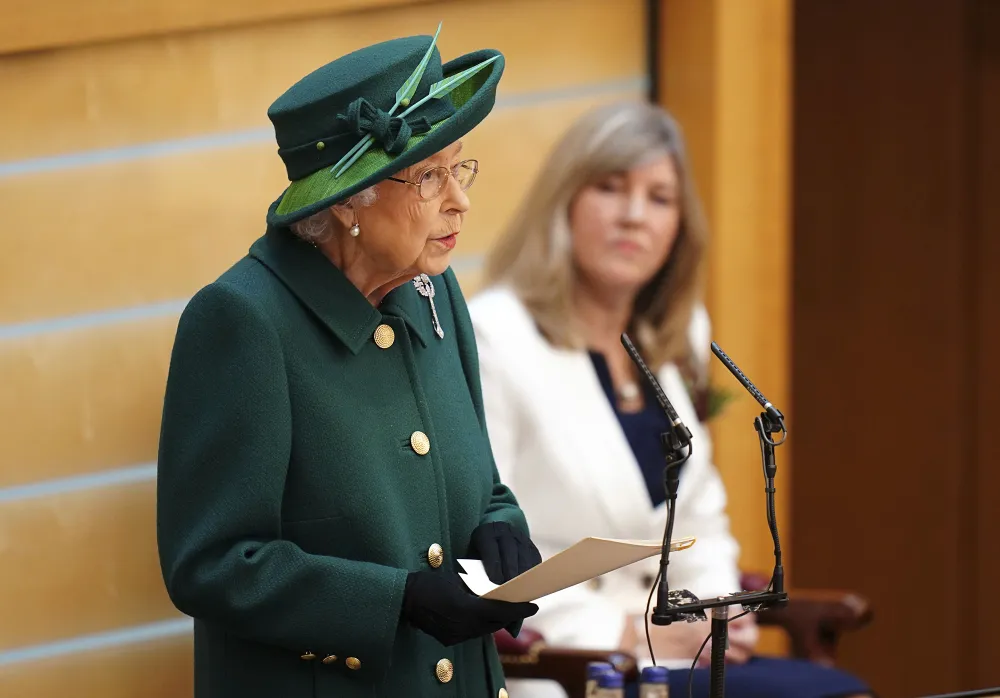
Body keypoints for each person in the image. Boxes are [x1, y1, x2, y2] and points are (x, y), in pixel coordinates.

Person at [155, 26, 542, 698]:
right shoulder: (243, 323)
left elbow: (477, 482)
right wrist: (395, 600)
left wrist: (500, 528)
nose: (461, 200)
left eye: (458, 167)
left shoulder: (433, 289)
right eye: (429, 176)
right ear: (346, 202)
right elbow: (212, 563)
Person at [468, 101, 871, 698]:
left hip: (681, 656)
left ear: (680, 227)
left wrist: (716, 614)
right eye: (610, 188)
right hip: (572, 664)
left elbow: (701, 517)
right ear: (563, 202)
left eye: (659, 198)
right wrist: (632, 634)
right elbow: (480, 546)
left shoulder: (674, 338)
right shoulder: (494, 336)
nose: (634, 216)